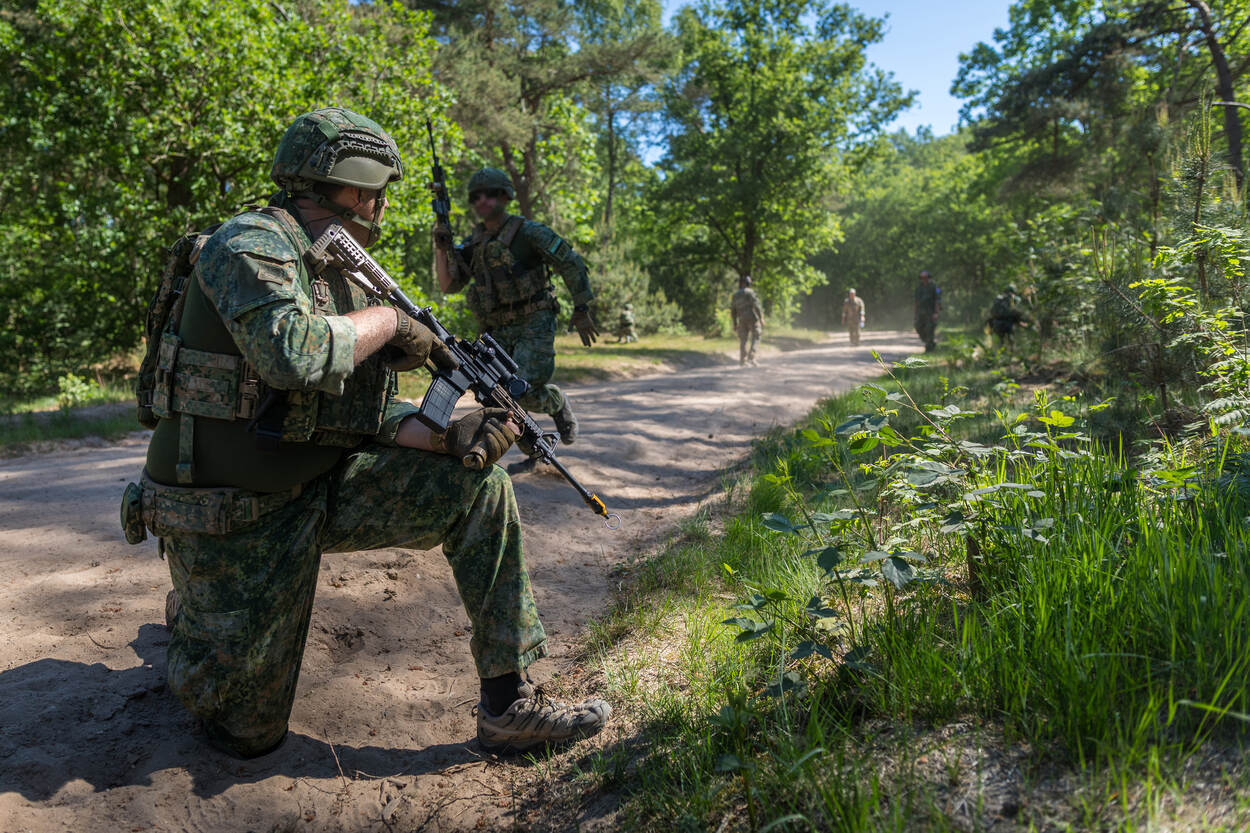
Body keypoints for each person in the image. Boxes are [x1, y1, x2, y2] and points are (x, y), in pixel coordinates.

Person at [124, 107, 610, 759]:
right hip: (230, 515)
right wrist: (389, 321)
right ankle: (197, 611)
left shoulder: (339, 276)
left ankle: (508, 703)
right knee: (245, 733)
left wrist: (448, 436)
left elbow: (352, 414)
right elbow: (290, 355)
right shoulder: (250, 242)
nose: (382, 202)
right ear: (350, 182)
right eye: (378, 187)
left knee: (482, 489)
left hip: (311, 487)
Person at [432, 168, 598, 476]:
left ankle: (556, 400)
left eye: (490, 194)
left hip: (534, 319)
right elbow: (449, 285)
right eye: (476, 196)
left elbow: (570, 262)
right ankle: (535, 451)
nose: (482, 201)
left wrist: (582, 307)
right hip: (496, 330)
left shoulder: (528, 233)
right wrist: (442, 248)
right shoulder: (473, 244)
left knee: (518, 389)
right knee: (496, 393)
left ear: (505, 196)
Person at [730, 275, 764, 366]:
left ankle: (742, 361)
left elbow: (733, 310)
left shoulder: (735, 295)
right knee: (757, 336)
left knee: (743, 339)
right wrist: (761, 318)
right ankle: (751, 358)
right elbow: (756, 305)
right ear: (748, 283)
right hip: (752, 318)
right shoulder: (750, 292)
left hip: (741, 319)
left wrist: (735, 323)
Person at [914, 270, 941, 352]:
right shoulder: (919, 288)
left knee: (930, 329)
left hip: (930, 312)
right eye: (922, 278)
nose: (924, 279)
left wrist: (936, 313)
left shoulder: (934, 287)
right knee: (918, 327)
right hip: (920, 312)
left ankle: (929, 347)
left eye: (925, 277)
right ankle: (929, 342)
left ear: (929, 277)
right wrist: (915, 314)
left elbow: (937, 301)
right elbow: (916, 301)